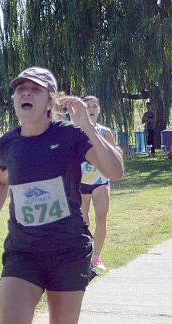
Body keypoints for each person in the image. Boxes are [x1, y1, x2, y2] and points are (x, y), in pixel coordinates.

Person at [0, 67, 123, 324]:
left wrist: (86, 124)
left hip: (68, 252)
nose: (25, 94)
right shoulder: (6, 144)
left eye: (35, 90)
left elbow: (115, 170)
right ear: (14, 99)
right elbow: (0, 181)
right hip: (24, 250)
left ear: (50, 101)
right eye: (20, 89)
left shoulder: (70, 137)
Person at [76, 96, 115, 271]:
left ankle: (96, 257)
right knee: (83, 223)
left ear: (99, 109)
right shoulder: (75, 131)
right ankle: (82, 256)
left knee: (101, 218)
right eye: (88, 106)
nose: (91, 109)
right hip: (81, 183)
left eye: (94, 106)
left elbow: (113, 156)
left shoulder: (105, 132)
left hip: (101, 181)